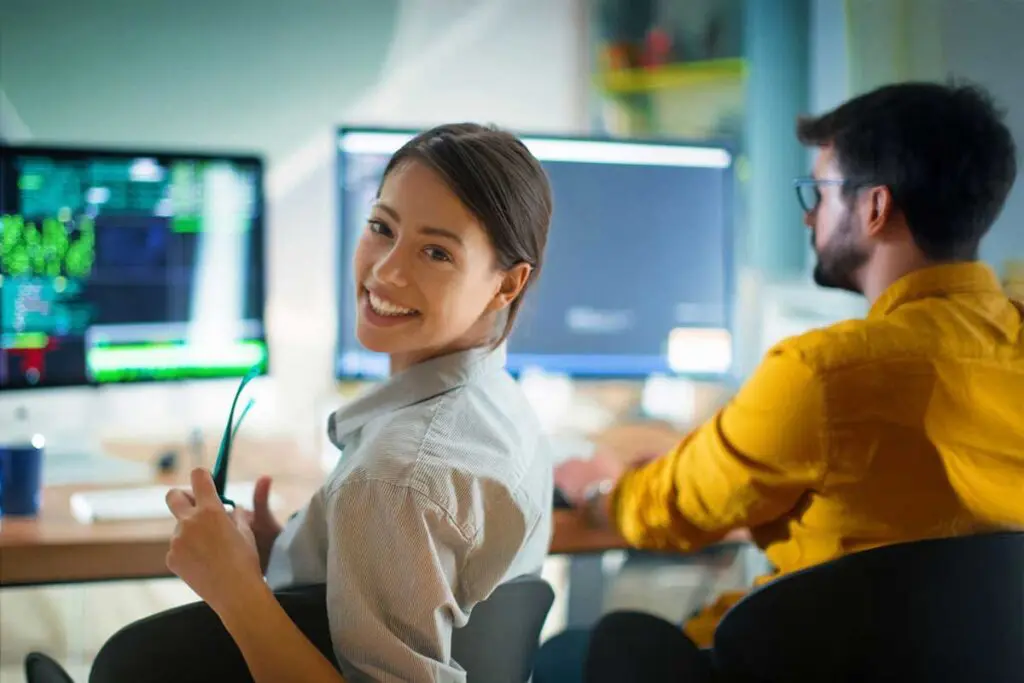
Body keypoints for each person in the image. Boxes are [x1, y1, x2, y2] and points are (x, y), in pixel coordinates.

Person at [537, 80, 1024, 682]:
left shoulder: (824, 373)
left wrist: (599, 492)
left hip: (812, 664)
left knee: (566, 655)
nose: (809, 213)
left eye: (819, 192)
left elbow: (676, 508)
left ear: (874, 208)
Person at [79, 124, 556, 683]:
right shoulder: (501, 407)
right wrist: (297, 557)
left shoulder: (394, 478)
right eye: (382, 227)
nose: (386, 270)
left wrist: (236, 592)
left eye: (436, 252)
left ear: (507, 285)